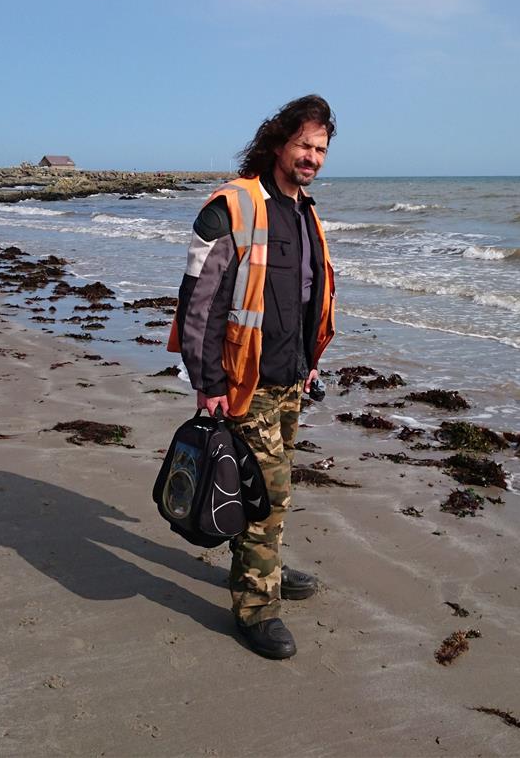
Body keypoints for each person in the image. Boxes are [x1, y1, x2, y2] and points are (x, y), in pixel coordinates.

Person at [167, 94, 336, 659]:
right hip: (244, 382)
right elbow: (198, 302)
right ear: (277, 143)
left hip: (290, 378)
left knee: (261, 487)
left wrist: (311, 365)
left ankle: (263, 569)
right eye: (303, 145)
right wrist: (207, 381)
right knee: (273, 497)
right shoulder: (231, 206)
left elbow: (307, 297)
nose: (311, 156)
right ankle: (256, 606)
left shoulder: (304, 209)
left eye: (320, 148)